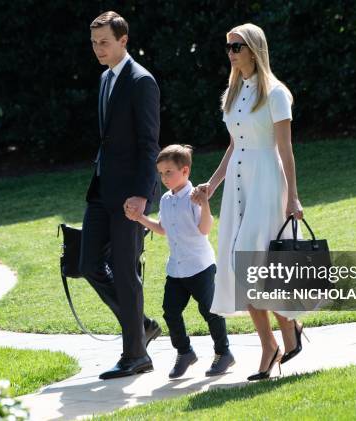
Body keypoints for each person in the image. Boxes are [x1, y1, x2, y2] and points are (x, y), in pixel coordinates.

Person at [192, 23, 308, 381]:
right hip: (239, 187)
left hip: (267, 183)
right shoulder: (233, 91)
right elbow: (234, 146)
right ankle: (275, 341)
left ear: (255, 48)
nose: (231, 53)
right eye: (228, 47)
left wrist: (293, 195)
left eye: (237, 46)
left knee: (255, 265)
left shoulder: (275, 93)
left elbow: (285, 149)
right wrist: (211, 185)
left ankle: (285, 334)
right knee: (241, 266)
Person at [79, 11, 161, 380]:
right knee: (87, 265)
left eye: (104, 42)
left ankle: (135, 354)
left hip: (130, 197)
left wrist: (143, 196)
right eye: (95, 42)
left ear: (123, 40)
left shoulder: (141, 81)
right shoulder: (103, 79)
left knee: (127, 274)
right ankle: (140, 325)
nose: (98, 48)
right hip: (101, 191)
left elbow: (149, 146)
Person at [127, 145, 235, 379]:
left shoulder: (195, 196)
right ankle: (185, 352)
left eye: (169, 172)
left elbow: (204, 229)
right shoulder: (166, 199)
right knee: (170, 311)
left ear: (184, 171)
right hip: (176, 269)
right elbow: (163, 229)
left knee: (210, 311)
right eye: (161, 173)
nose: (164, 178)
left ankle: (224, 353)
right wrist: (139, 218)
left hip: (200, 266)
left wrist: (205, 204)